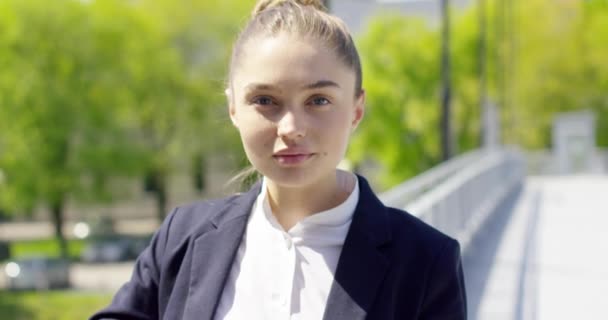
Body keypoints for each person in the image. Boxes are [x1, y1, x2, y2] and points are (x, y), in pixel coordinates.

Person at [90, 0, 466, 319]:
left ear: (356, 109)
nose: (291, 127)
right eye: (265, 101)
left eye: (318, 100)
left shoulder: (425, 261)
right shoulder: (182, 236)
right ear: (233, 107)